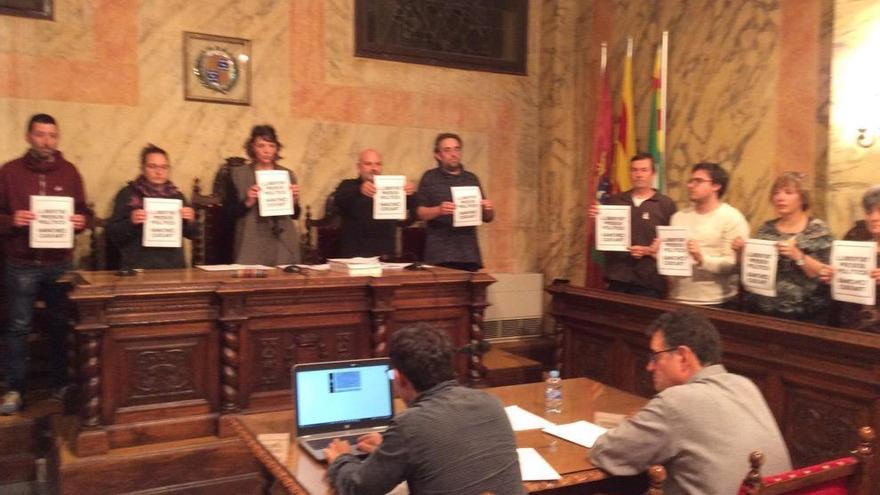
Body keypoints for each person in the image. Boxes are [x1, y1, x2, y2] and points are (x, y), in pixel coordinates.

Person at [591, 309, 791, 495]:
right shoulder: (746, 385)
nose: (649, 366)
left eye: (655, 356)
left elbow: (607, 453)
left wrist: (634, 424)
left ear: (683, 357)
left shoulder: (676, 401)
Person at [324, 324, 524, 495]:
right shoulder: (491, 402)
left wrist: (341, 459)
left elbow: (359, 488)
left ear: (399, 378)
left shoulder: (410, 426)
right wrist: (390, 452)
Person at [0, 113, 91, 414]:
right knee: (17, 327)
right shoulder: (9, 172)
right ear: (29, 137)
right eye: (40, 135)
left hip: (59, 263)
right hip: (21, 262)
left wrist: (81, 222)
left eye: (52, 135)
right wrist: (11, 220)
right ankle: (14, 388)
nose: (46, 141)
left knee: (59, 325)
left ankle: (59, 383)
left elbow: (83, 215)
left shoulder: (70, 173)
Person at [734, 172, 832, 323]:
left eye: (788, 192)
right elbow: (751, 269)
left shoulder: (817, 230)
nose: (780, 197)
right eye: (776, 193)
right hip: (764, 312)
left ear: (802, 198)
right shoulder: (766, 229)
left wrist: (797, 255)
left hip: (805, 315)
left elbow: (825, 272)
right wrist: (740, 252)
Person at [589, 153, 677, 298]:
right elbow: (605, 238)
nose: (638, 174)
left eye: (644, 170)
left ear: (653, 174)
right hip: (618, 276)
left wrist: (649, 250)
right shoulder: (614, 201)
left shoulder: (666, 204)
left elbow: (674, 243)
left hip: (650, 280)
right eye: (634, 170)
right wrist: (599, 219)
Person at [666, 163, 750, 306]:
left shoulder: (732, 218)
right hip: (679, 298)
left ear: (716, 186)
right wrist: (661, 255)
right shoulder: (678, 217)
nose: (691, 185)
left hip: (715, 300)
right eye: (690, 181)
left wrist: (701, 259)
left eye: (698, 181)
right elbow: (673, 260)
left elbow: (732, 264)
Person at [106, 144, 198, 269]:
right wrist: (131, 222)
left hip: (173, 267)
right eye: (152, 166)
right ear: (142, 168)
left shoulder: (177, 196)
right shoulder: (127, 194)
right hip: (138, 266)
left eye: (164, 167)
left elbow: (192, 234)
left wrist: (191, 220)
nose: (159, 172)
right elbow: (113, 234)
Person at [415, 133, 494, 272]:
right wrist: (438, 210)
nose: (453, 154)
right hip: (440, 254)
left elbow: (487, 218)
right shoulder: (429, 178)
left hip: (469, 254)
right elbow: (419, 213)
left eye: (457, 149)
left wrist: (487, 208)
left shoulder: (471, 179)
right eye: (447, 150)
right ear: (437, 155)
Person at [225, 125, 301, 265]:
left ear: (277, 148)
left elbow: (295, 215)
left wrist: (294, 201)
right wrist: (248, 202)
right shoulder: (238, 174)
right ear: (252, 147)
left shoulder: (287, 174)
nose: (267, 151)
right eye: (261, 146)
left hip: (282, 240)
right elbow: (228, 214)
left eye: (271, 146)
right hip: (251, 240)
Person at [332, 149, 416, 258]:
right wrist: (359, 189)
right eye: (368, 164)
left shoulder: (392, 187)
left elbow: (415, 206)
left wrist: (410, 192)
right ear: (359, 167)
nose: (374, 168)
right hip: (355, 255)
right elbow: (339, 199)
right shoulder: (348, 185)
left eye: (378, 164)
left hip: (386, 255)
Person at [823, 186, 880, 332]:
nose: (874, 217)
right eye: (869, 212)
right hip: (851, 327)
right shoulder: (854, 240)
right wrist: (833, 276)